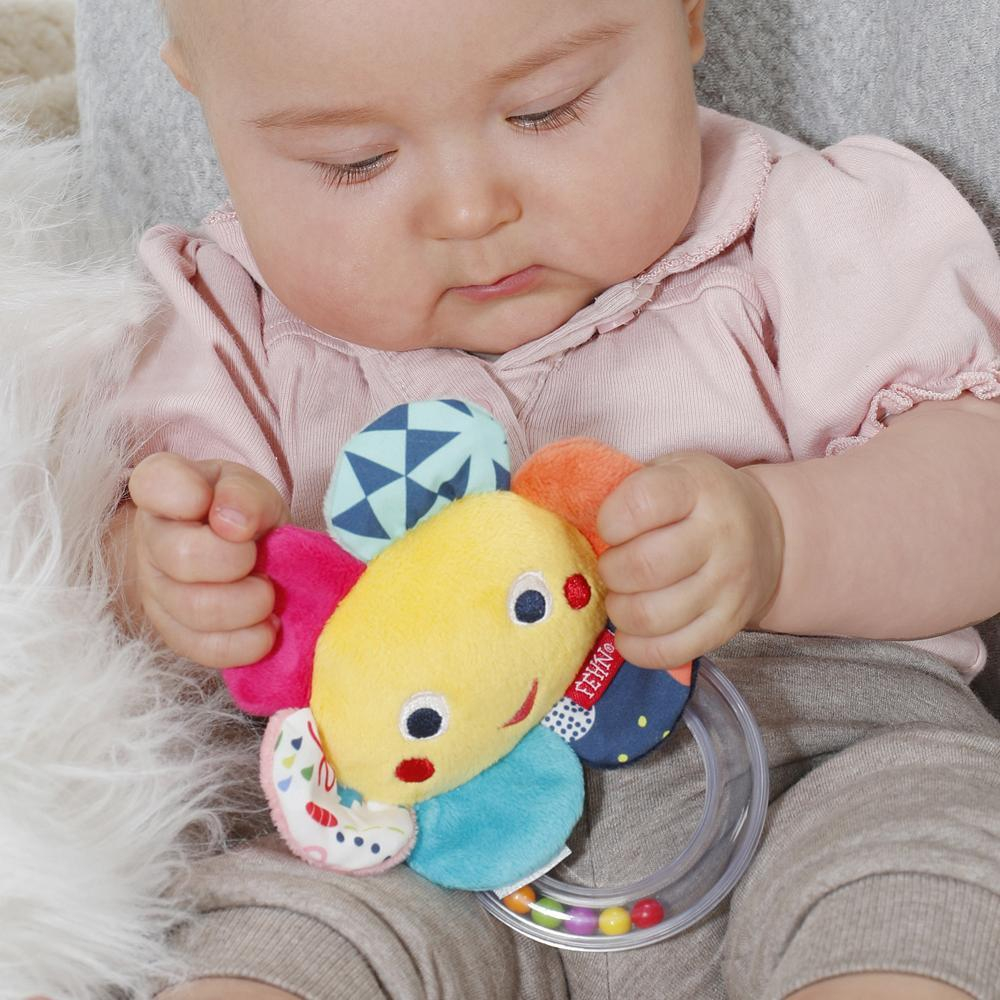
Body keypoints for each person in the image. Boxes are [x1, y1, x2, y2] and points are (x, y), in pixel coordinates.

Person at [107, 0, 1000, 997]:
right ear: (208, 106)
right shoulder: (223, 331)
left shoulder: (805, 230)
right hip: (404, 835)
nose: (469, 211)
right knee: (270, 945)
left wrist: (784, 539)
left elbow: (979, 486)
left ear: (685, 18)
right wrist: (169, 577)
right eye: (355, 162)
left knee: (922, 874)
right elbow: (76, 613)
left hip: (815, 752)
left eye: (545, 110)